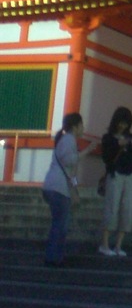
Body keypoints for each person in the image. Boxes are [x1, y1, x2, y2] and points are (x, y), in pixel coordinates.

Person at [41, 112, 97, 267]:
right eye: (81, 125)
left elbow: (70, 172)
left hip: (54, 186)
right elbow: (69, 161)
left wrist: (75, 188)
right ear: (75, 126)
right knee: (60, 225)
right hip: (58, 188)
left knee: (59, 224)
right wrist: (87, 151)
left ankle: (55, 256)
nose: (83, 128)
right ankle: (53, 257)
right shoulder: (69, 140)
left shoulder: (65, 140)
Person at [99, 106, 132, 257]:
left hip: (131, 175)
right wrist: (118, 145)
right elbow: (106, 158)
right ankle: (104, 244)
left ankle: (118, 245)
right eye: (121, 122)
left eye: (126, 123)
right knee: (112, 206)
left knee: (127, 208)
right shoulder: (108, 138)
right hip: (115, 174)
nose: (123, 126)